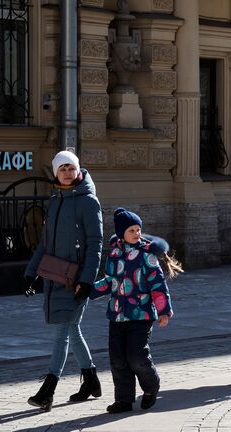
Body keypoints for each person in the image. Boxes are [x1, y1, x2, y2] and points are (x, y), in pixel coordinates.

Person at [22, 150, 104, 411]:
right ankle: (90, 379)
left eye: (71, 167)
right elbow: (45, 242)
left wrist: (88, 280)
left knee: (61, 332)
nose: (67, 172)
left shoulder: (89, 201)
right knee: (71, 328)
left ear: (78, 169)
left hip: (77, 280)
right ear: (56, 173)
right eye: (62, 169)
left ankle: (48, 390)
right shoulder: (56, 199)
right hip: (55, 275)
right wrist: (31, 273)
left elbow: (96, 243)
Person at [78, 208, 180, 413]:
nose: (136, 233)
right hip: (117, 315)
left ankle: (151, 386)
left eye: (138, 229)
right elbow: (111, 282)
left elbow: (158, 286)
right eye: (131, 230)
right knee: (118, 360)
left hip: (141, 315)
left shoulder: (146, 256)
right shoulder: (115, 254)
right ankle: (124, 400)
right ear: (122, 233)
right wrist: (90, 290)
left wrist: (163, 311)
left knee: (136, 356)